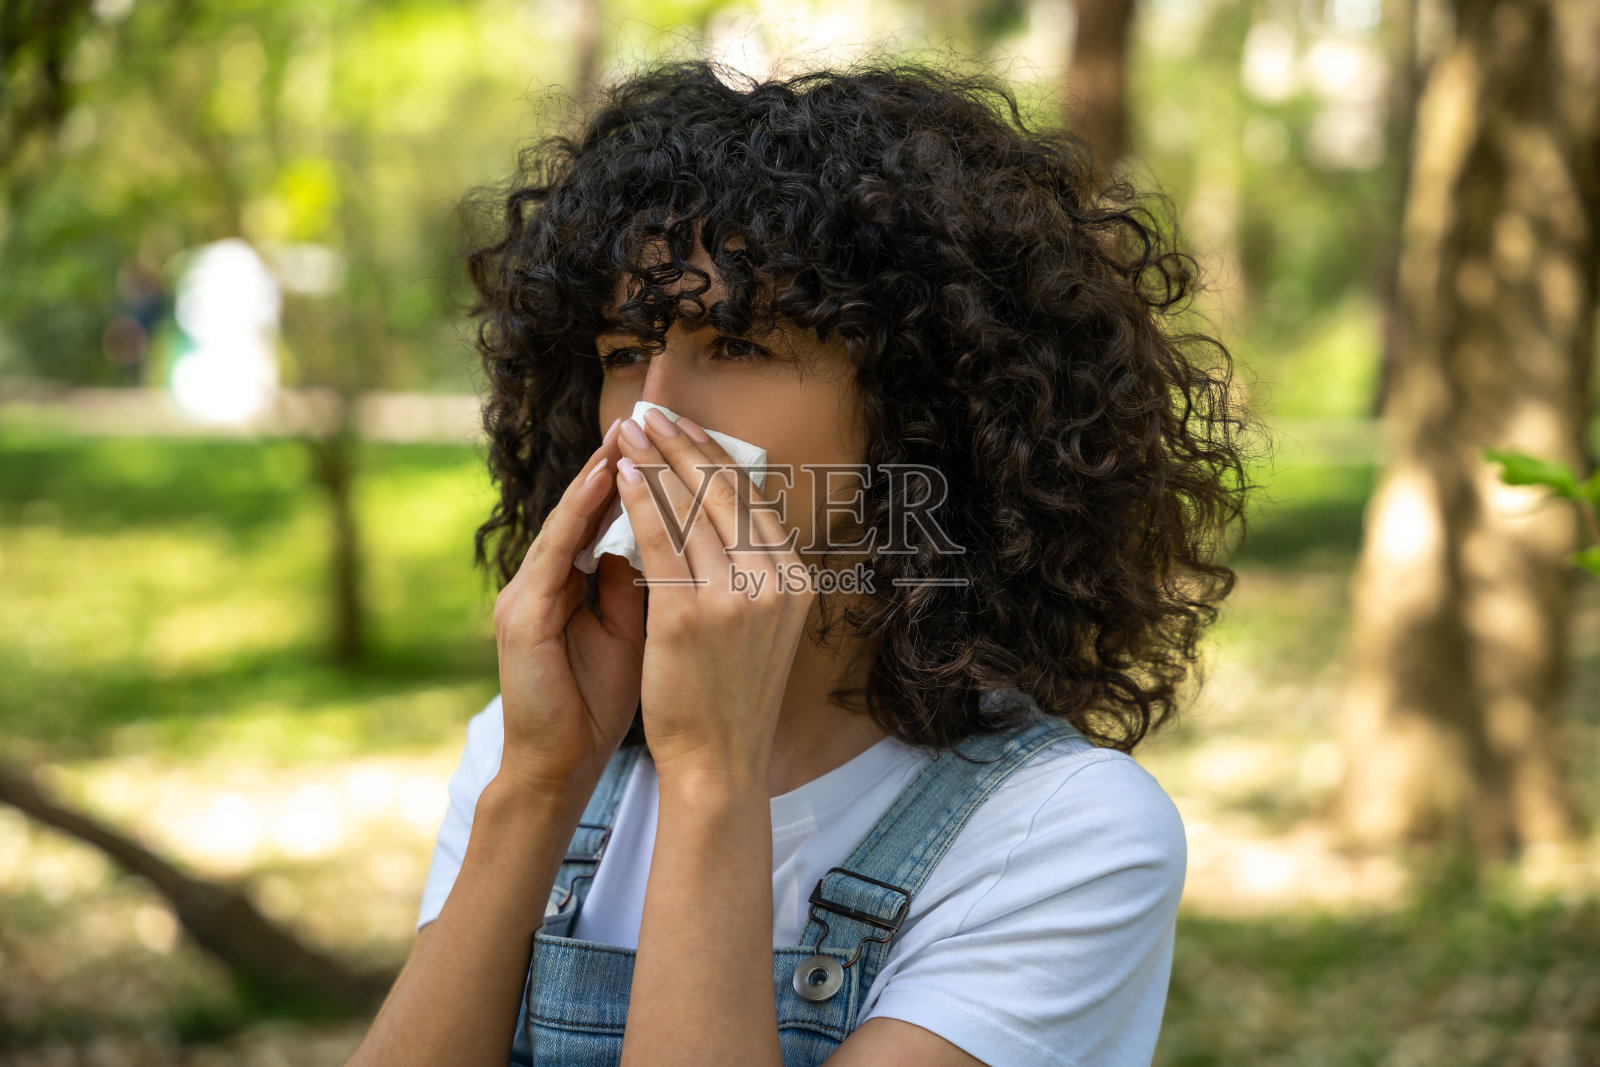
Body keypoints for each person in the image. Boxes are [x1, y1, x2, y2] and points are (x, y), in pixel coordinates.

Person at [347, 53, 1260, 1067]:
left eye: (734, 345)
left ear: (923, 404)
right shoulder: (526, 749)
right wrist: (534, 788)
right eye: (619, 354)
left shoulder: (1065, 836)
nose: (651, 411)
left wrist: (713, 774)